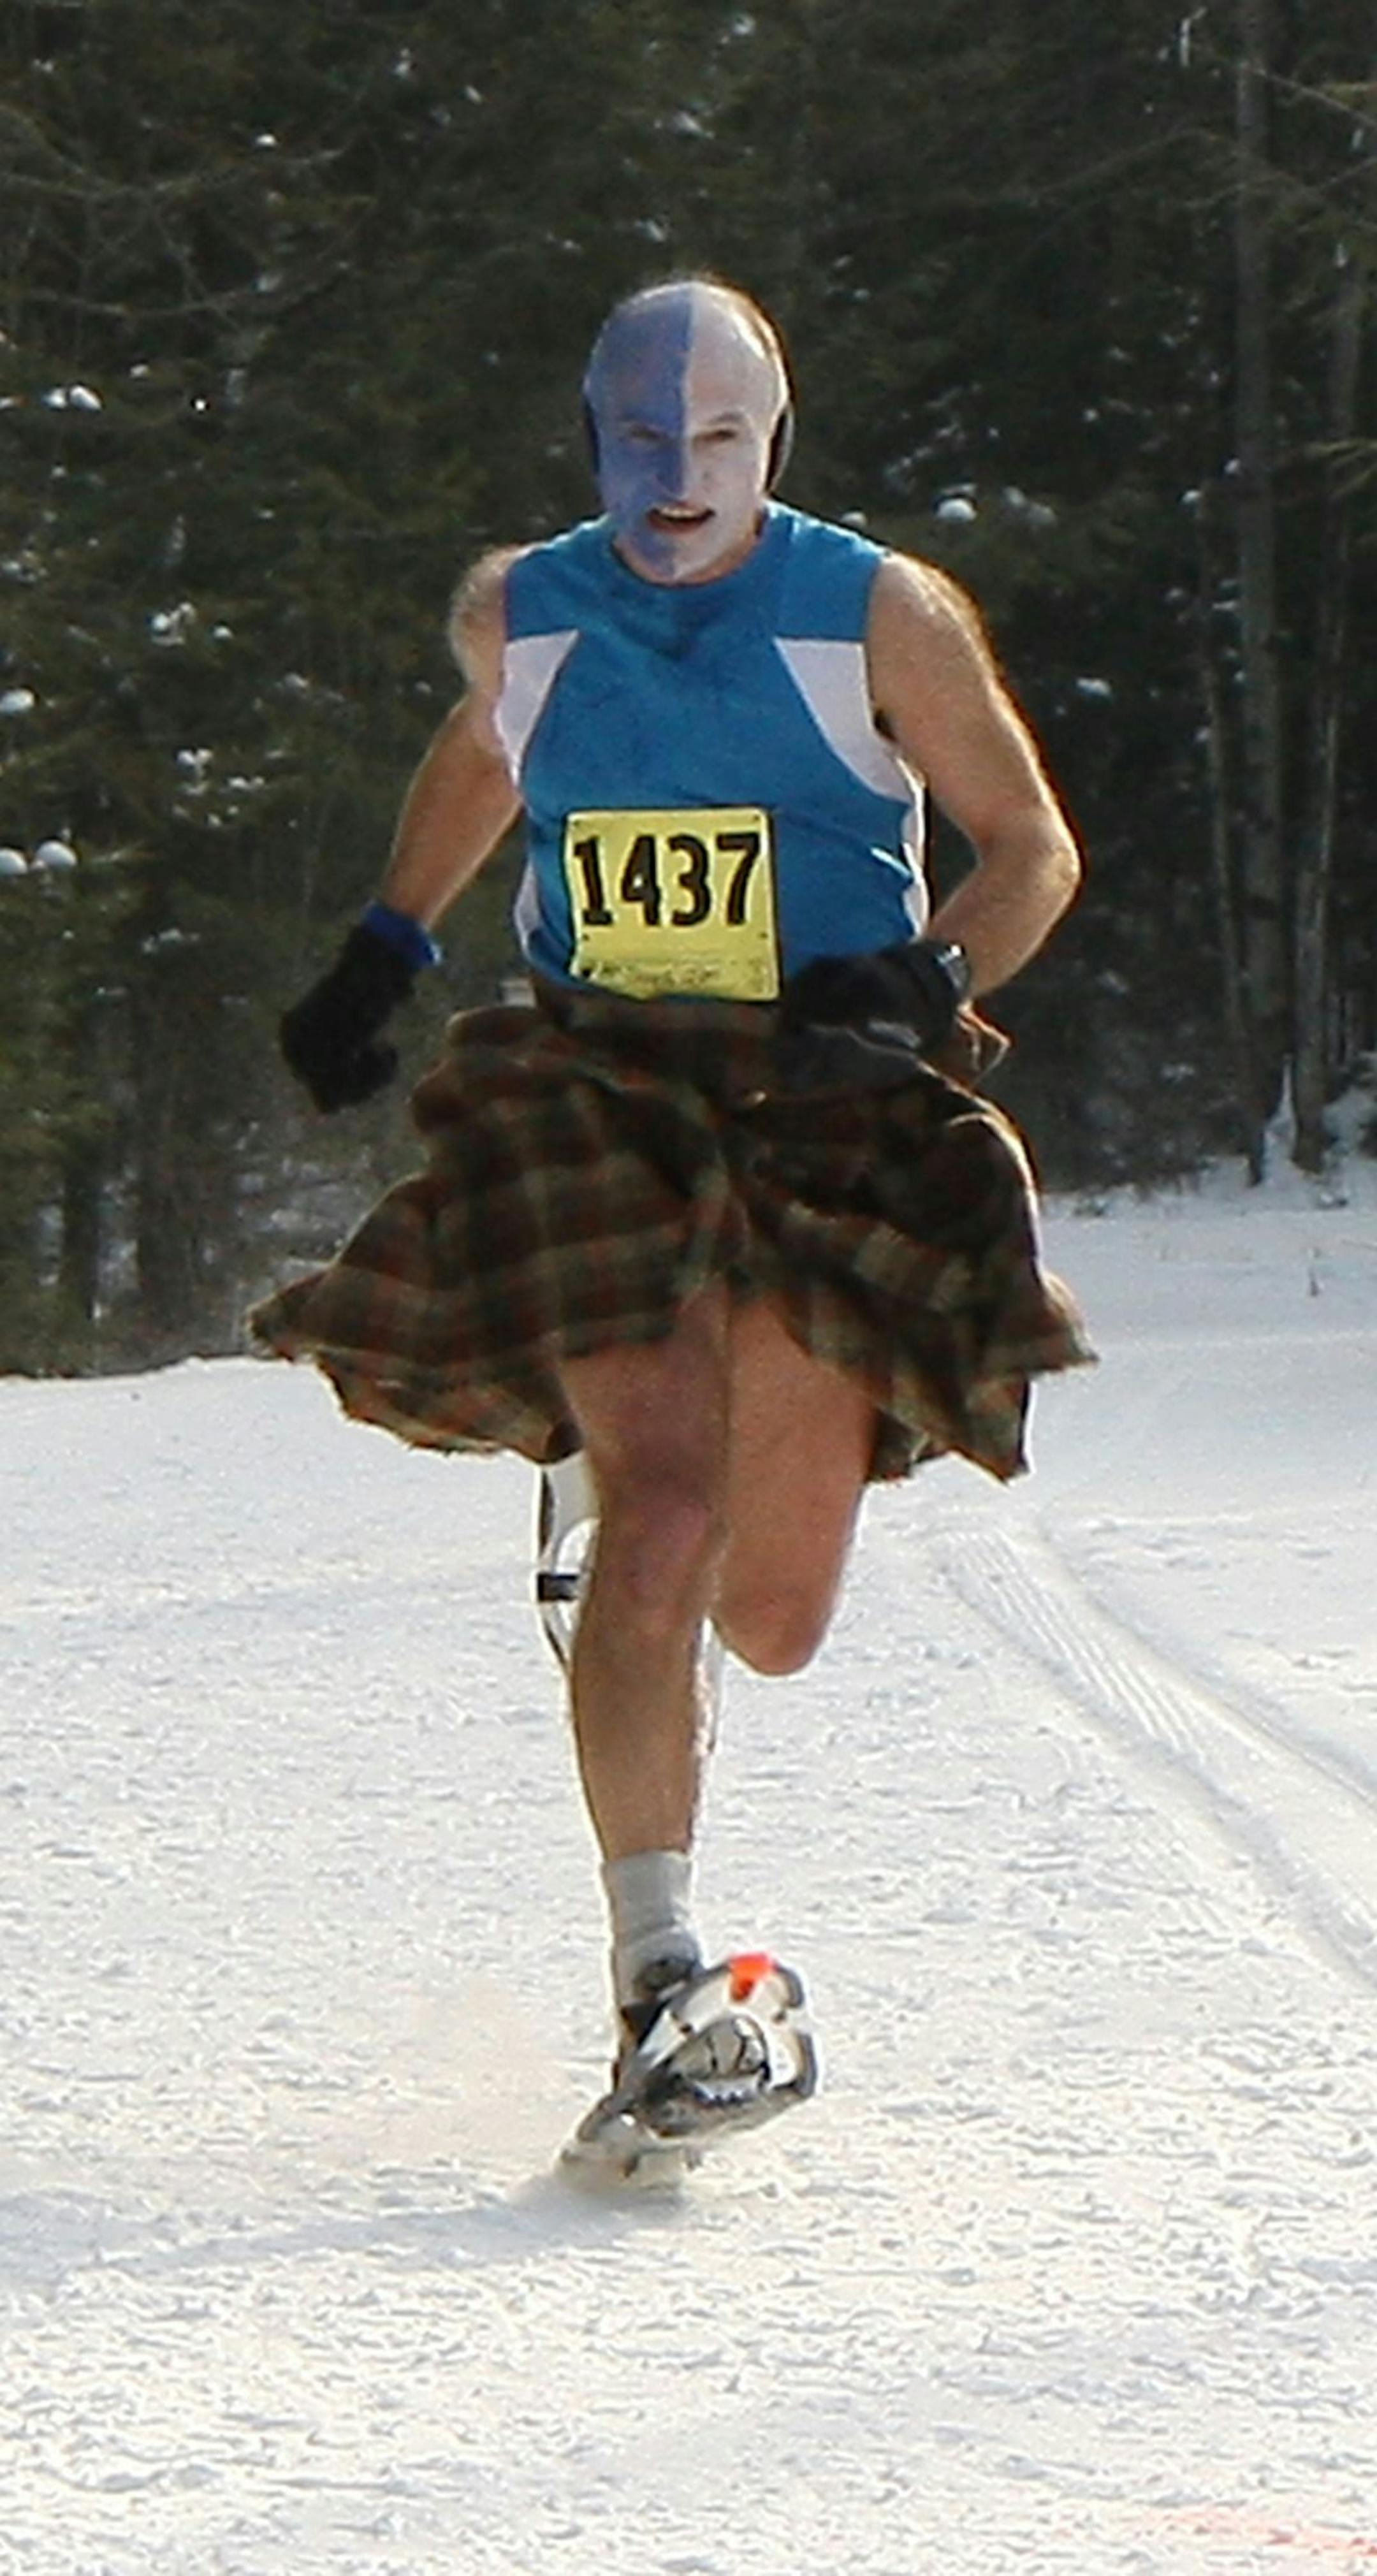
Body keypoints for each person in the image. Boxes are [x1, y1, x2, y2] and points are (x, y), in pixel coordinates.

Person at [251, 275, 1091, 2173]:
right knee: (663, 1510)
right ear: (595, 441)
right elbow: (487, 751)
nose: (679, 477)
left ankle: (646, 1526)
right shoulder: (528, 608)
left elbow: (1032, 848)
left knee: (772, 1616)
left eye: (718, 439)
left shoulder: (875, 611)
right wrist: (387, 940)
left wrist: (927, 977)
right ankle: (660, 1976)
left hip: (824, 1089)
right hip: (600, 1083)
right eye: (643, 438)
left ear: (771, 444)